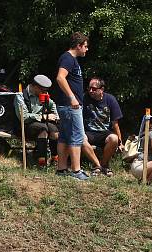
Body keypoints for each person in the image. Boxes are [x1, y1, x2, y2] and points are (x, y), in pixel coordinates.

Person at [53, 32, 90, 180]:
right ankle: (76, 171)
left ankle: (61, 169)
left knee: (64, 137)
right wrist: (72, 97)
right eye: (85, 46)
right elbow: (60, 78)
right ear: (78, 45)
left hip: (67, 105)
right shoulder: (68, 58)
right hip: (70, 106)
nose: (86, 49)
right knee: (77, 136)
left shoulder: (70, 59)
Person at [81, 77, 122, 177]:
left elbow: (115, 123)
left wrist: (120, 142)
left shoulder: (110, 99)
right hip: (89, 131)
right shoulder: (84, 98)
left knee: (114, 139)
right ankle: (97, 165)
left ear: (101, 89)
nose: (91, 91)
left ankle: (104, 164)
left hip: (104, 132)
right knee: (80, 139)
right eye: (89, 88)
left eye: (94, 89)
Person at [15, 74, 59, 167]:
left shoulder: (43, 94)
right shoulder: (20, 96)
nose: (45, 93)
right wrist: (43, 117)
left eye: (46, 91)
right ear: (35, 86)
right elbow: (23, 117)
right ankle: (41, 161)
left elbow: (52, 104)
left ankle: (55, 158)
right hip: (24, 126)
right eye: (43, 90)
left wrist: (56, 116)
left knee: (54, 130)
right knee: (42, 129)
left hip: (40, 122)